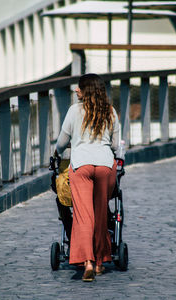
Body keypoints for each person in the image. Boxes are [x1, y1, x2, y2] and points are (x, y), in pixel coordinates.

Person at [55, 73, 120, 281]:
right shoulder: (110, 111)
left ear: (85, 91)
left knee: (83, 216)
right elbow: (117, 146)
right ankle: (100, 261)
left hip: (81, 165)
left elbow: (62, 142)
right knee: (101, 214)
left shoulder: (74, 111)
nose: (76, 90)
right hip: (104, 166)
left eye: (79, 88)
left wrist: (57, 152)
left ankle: (87, 263)